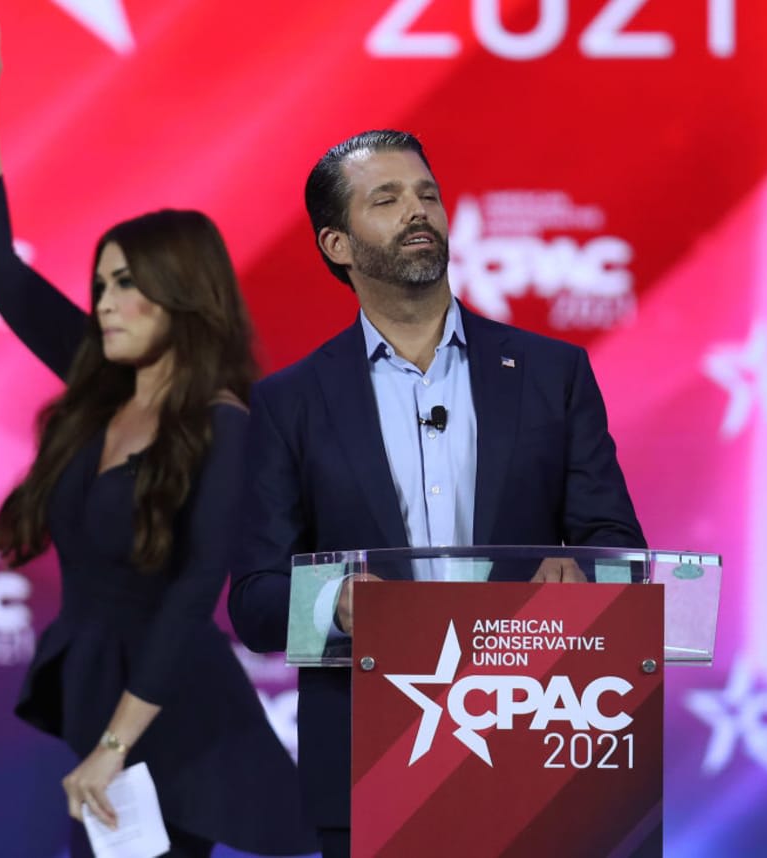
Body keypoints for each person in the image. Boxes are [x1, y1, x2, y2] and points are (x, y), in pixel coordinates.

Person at [0, 20, 315, 858]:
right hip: (101, 696)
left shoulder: (226, 427)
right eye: (101, 283)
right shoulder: (98, 378)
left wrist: (115, 746)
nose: (106, 302)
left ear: (181, 296)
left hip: (173, 717)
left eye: (127, 285)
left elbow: (192, 597)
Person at [226, 130, 646, 857]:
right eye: (385, 200)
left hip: (541, 744)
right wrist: (336, 604)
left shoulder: (553, 374)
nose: (418, 211)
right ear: (337, 245)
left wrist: (586, 580)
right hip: (373, 767)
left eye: (427, 194)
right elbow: (256, 601)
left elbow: (619, 548)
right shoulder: (290, 403)